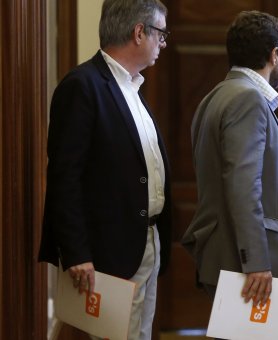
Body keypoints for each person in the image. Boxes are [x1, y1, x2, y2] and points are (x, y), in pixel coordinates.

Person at [38, 0, 172, 339]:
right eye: (161, 33)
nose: (164, 42)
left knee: (139, 334)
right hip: (109, 248)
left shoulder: (134, 88)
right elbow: (64, 177)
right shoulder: (83, 86)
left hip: (147, 240)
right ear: (139, 32)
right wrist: (76, 253)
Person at [181, 10, 278, 309]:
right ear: (274, 55)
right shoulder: (249, 99)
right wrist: (256, 261)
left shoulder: (216, 95)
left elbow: (229, 162)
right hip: (246, 264)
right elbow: (243, 184)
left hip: (228, 255)